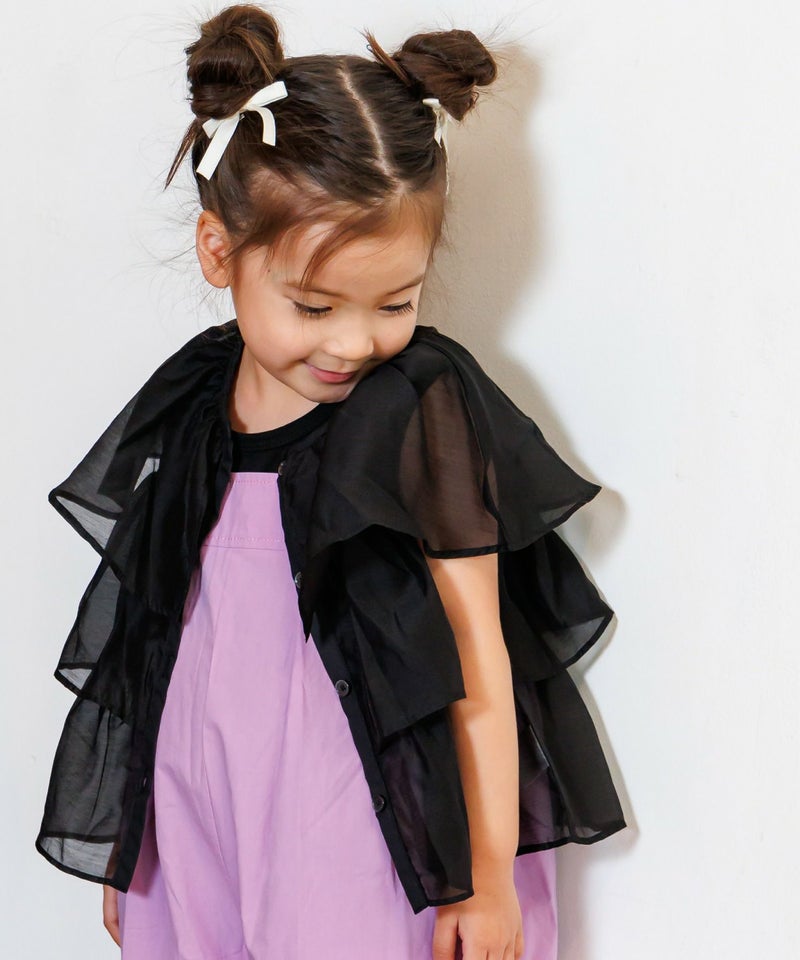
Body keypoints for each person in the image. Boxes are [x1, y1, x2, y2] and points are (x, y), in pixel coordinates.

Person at [34, 4, 626, 958]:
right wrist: (127, 839)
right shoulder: (193, 398)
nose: (354, 343)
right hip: (201, 788)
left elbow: (476, 648)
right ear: (220, 252)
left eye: (396, 301)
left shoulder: (417, 406)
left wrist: (483, 873)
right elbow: (149, 630)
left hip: (357, 796)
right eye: (314, 306)